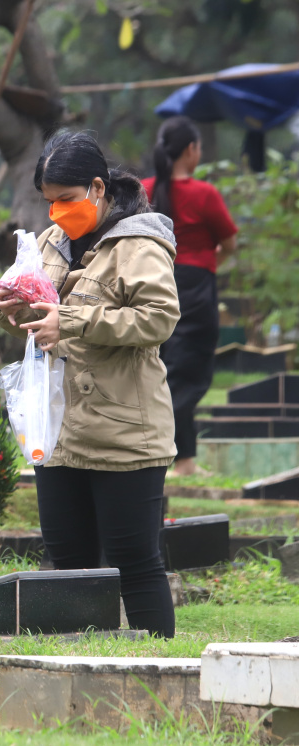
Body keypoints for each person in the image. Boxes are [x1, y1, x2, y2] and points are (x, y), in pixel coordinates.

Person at [0, 131, 181, 638]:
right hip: (58, 429)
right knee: (68, 559)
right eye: (49, 201)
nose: (56, 212)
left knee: (133, 562)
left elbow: (158, 319)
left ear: (98, 188)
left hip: (124, 430)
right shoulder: (51, 242)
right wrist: (15, 310)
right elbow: (40, 315)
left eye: (67, 200)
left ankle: (157, 671)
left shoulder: (139, 244)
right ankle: (78, 667)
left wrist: (71, 321)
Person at [141, 116, 239, 477]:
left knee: (158, 367)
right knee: (187, 374)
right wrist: (209, 262)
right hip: (195, 289)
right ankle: (179, 460)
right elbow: (229, 244)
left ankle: (174, 457)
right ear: (190, 150)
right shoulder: (203, 194)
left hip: (150, 284)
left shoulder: (143, 190)